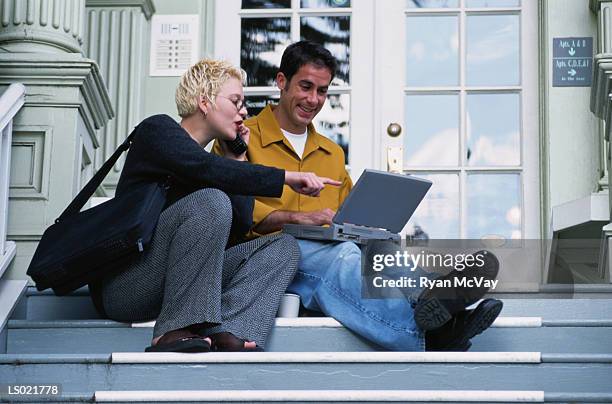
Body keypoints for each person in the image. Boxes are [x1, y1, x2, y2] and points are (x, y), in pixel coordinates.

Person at [214, 41, 502, 351]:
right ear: (282, 82)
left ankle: (437, 303)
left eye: (322, 91)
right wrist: (298, 218)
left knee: (381, 251)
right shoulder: (241, 136)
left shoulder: (332, 153)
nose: (313, 99)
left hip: (325, 249)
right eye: (306, 87)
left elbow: (346, 216)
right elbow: (234, 213)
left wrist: (366, 228)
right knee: (344, 257)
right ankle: (431, 332)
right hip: (267, 256)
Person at [89, 58, 340, 353]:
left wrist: (237, 158)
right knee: (211, 200)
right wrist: (287, 177)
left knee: (283, 246)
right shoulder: (157, 131)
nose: (244, 112)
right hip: (128, 286)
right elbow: (203, 167)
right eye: (236, 101)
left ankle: (232, 330)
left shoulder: (217, 166)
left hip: (184, 282)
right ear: (204, 102)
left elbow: (243, 223)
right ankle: (172, 330)